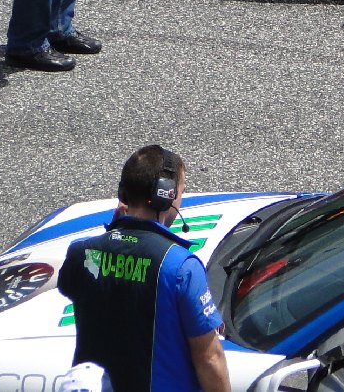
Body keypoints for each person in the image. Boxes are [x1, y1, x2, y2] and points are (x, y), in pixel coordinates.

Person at [59, 145, 230, 392]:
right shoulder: (181, 267)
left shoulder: (81, 253)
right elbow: (209, 358)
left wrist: (115, 232)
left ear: (124, 192)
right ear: (166, 195)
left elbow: (74, 286)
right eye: (181, 191)